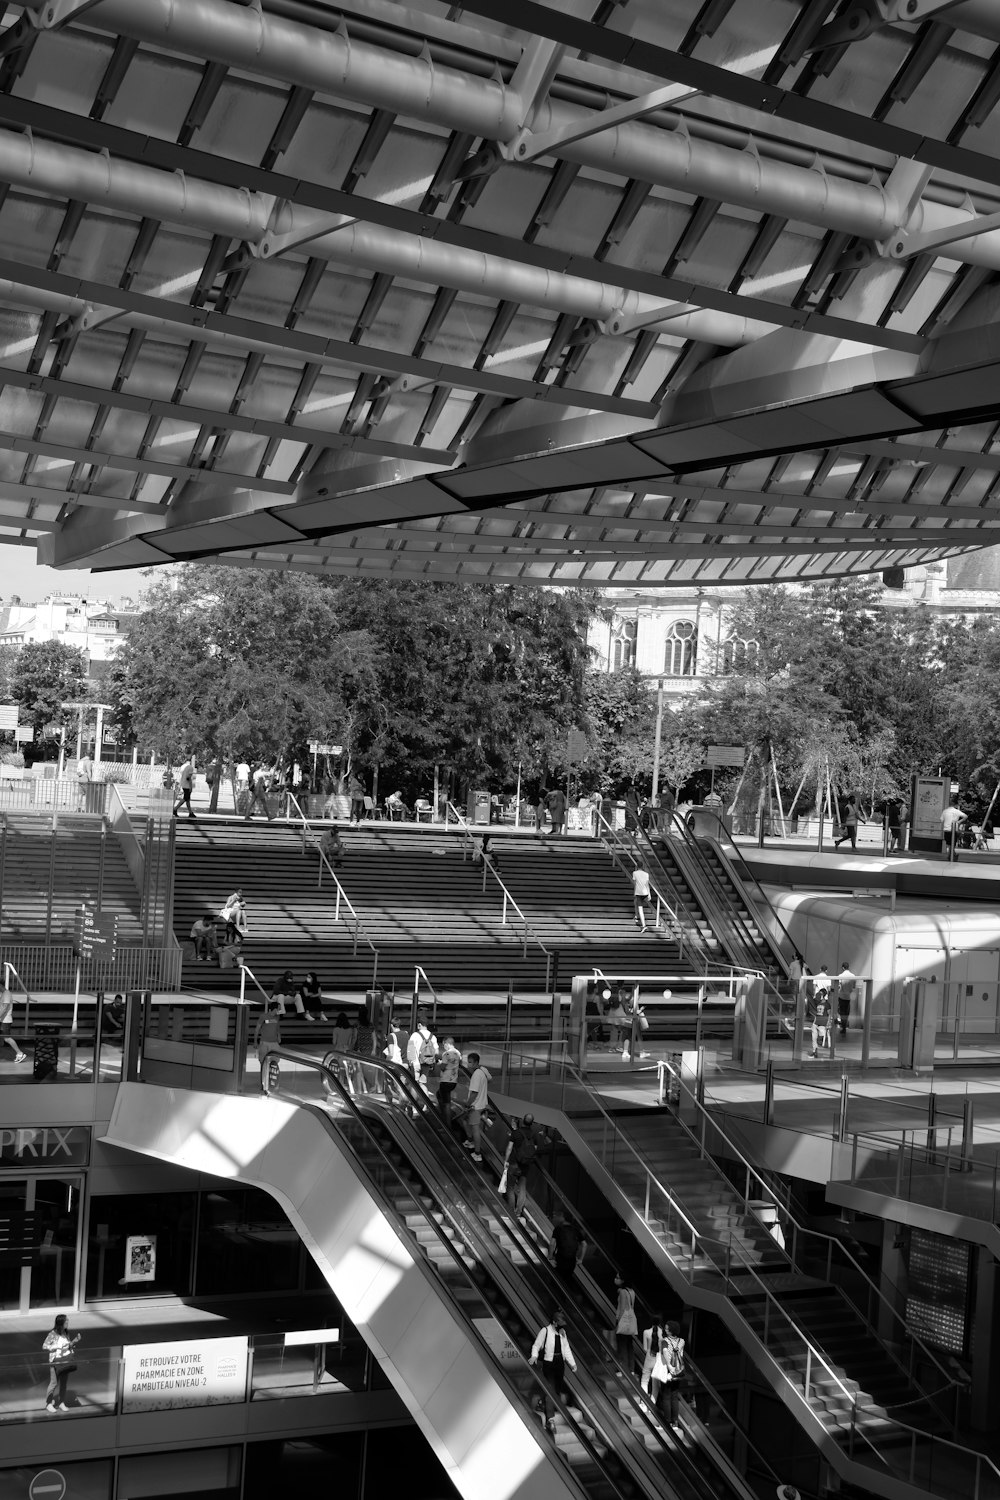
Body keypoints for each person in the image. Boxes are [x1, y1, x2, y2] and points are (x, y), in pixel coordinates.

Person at [529, 1309, 577, 1434]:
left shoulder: (562, 1332)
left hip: (560, 1363)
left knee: (557, 1390)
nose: (561, 1326)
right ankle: (550, 1419)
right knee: (550, 1389)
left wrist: (572, 1363)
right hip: (549, 1363)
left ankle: (544, 1404)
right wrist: (534, 1356)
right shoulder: (545, 1331)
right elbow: (537, 1345)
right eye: (559, 1323)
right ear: (554, 1322)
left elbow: (566, 1349)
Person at [649, 1318, 685, 1430]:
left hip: (668, 1372)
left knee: (666, 1396)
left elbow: (665, 1352)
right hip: (679, 1371)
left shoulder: (665, 1341)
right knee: (674, 1397)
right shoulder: (682, 1341)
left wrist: (669, 1366)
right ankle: (675, 1422)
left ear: (670, 1330)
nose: (665, 1329)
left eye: (666, 1328)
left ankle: (667, 1423)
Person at [43, 1314, 81, 1413]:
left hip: (65, 1361)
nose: (68, 1322)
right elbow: (44, 1346)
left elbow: (67, 1346)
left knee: (64, 1383)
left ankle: (61, 1402)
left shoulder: (65, 1333)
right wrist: (54, 1347)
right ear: (61, 1323)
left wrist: (74, 1342)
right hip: (55, 1361)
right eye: (66, 1321)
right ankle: (48, 1403)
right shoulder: (53, 1334)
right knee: (54, 1383)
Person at [461, 1050, 491, 1163]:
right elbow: (490, 1079)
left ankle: (477, 1153)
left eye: (470, 1062)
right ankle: (470, 1141)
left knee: (475, 1129)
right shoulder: (483, 1071)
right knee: (465, 1120)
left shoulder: (476, 1075)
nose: (468, 1065)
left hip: (475, 1106)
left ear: (476, 1062)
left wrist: (468, 1103)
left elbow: (474, 1092)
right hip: (482, 1104)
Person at [549, 1208, 586, 1288]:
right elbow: (584, 1244)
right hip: (571, 1261)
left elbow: (552, 1244)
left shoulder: (558, 1229)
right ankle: (566, 1297)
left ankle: (556, 1297)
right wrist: (580, 1259)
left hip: (560, 1259)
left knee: (557, 1281)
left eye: (560, 1216)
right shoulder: (576, 1229)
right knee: (567, 1281)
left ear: (563, 1218)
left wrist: (550, 1257)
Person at [613, 1272, 639, 1370]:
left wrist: (618, 1323)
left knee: (622, 1346)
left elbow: (622, 1309)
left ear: (623, 1280)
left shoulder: (623, 1292)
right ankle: (631, 1369)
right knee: (629, 1345)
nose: (616, 1279)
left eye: (618, 1277)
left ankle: (623, 1369)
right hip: (631, 1321)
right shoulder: (632, 1291)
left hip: (623, 1321)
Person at [254, 1005, 281, 1095]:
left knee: (274, 1063)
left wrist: (279, 1036)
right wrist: (255, 1041)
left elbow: (277, 1028)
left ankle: (272, 1082)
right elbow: (257, 1029)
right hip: (264, 1042)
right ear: (271, 1009)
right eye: (277, 1008)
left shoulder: (277, 1017)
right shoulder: (263, 1017)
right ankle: (263, 1082)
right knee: (263, 1063)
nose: (278, 1010)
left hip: (274, 1043)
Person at [407, 1009, 439, 1085]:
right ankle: (424, 1096)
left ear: (419, 1024)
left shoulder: (415, 1035)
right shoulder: (433, 1036)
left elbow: (410, 1050)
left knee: (414, 1085)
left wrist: (411, 1063)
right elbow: (437, 1052)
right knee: (422, 1084)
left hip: (416, 1063)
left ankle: (414, 1097)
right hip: (427, 1064)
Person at [437, 1034, 462, 1124]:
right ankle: (445, 1117)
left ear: (447, 1044)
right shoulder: (458, 1053)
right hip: (453, 1080)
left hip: (445, 1080)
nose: (444, 1047)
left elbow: (443, 1067)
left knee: (446, 1103)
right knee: (440, 1096)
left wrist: (440, 1064)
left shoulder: (446, 1054)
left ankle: (447, 1123)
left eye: (444, 1045)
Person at [0, 984, 26, 1064]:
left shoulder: (7, 994)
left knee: (7, 1038)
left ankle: (20, 1053)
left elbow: (5, 1008)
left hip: (6, 1020)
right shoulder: (4, 994)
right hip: (2, 1019)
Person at [353, 1006, 377, 1092]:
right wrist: (373, 1050)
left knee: (359, 1071)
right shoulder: (370, 1025)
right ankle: (370, 1087)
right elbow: (374, 1038)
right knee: (368, 1070)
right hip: (369, 1050)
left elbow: (355, 1038)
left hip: (360, 1050)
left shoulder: (357, 1024)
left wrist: (353, 1048)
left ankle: (359, 1089)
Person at [809, 969, 832, 1058]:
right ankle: (815, 1051)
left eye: (820, 993)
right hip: (816, 1021)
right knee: (813, 1036)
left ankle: (820, 1045)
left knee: (821, 1034)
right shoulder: (817, 1002)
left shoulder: (827, 1004)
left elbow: (829, 1013)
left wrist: (828, 1023)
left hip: (823, 1022)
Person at [835, 962, 857, 1036]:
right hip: (849, 996)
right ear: (848, 967)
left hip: (841, 996)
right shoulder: (853, 976)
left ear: (843, 968)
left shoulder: (840, 976)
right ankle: (844, 1026)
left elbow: (838, 986)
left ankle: (843, 1026)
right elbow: (854, 986)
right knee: (847, 1012)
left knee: (841, 1012)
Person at [172, 755, 197, 820]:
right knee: (185, 798)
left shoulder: (185, 767)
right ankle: (175, 809)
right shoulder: (190, 768)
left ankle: (190, 812)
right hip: (187, 786)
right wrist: (191, 786)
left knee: (188, 800)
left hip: (183, 784)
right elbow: (188, 777)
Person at [631, 862, 652, 931]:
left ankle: (644, 925)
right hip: (645, 892)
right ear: (643, 866)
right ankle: (636, 916)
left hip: (639, 893)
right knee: (635, 902)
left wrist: (634, 892)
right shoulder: (646, 874)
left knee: (640, 909)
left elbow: (635, 884)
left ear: (637, 866)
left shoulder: (635, 873)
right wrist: (649, 894)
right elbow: (647, 885)